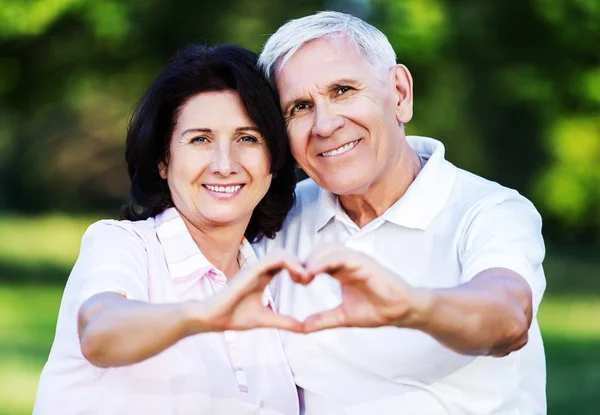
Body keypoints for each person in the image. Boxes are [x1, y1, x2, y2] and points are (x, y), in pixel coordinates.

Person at [255, 11, 547, 414]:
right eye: (300, 107)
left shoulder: (487, 209)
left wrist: (412, 307)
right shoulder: (278, 216)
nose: (324, 124)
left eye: (343, 90)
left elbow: (508, 317)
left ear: (399, 92)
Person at [34, 44, 303, 414]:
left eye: (248, 138)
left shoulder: (272, 280)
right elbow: (99, 331)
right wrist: (205, 314)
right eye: (200, 140)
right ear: (163, 160)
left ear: (274, 159)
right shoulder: (123, 245)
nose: (225, 165)